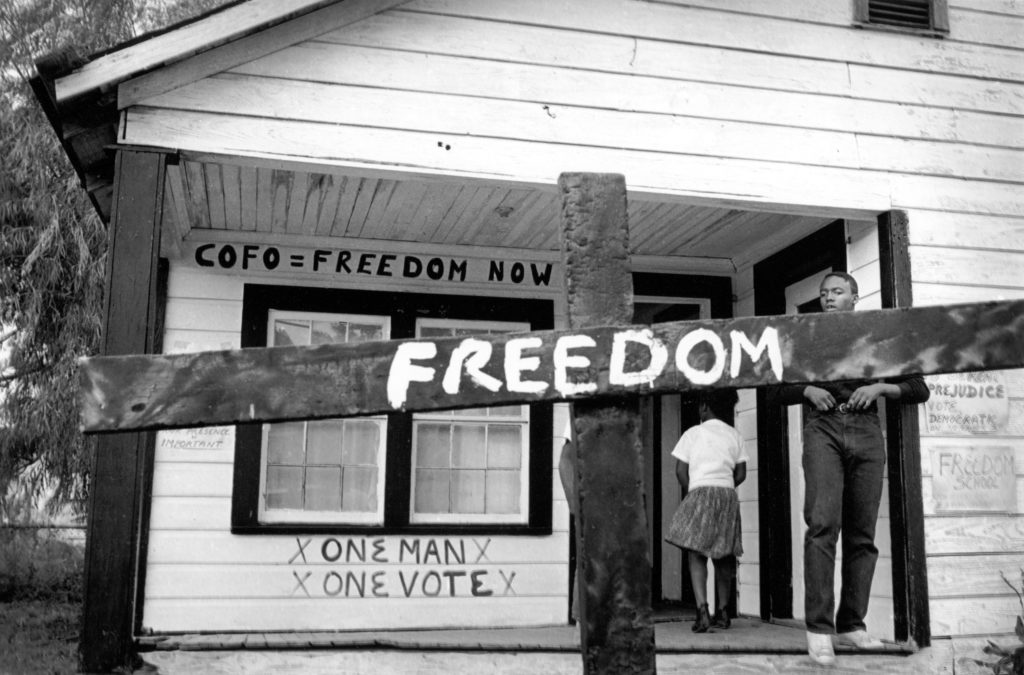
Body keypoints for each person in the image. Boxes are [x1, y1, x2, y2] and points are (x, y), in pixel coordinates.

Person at [770, 271, 930, 666]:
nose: (828, 298)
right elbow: (775, 387)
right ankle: (819, 629)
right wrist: (807, 389)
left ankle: (852, 625)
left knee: (862, 533)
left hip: (866, 429)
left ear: (855, 297)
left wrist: (879, 388)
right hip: (822, 428)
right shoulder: (806, 336)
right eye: (824, 293)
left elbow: (918, 387)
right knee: (822, 525)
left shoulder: (877, 335)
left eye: (837, 292)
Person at [664, 389, 747, 633]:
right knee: (724, 554)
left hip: (700, 491)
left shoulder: (693, 433)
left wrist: (695, 488)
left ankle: (702, 610)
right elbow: (740, 473)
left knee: (696, 552)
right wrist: (725, 485)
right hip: (727, 494)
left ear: (703, 407)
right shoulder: (734, 435)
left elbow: (681, 470)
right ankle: (723, 611)